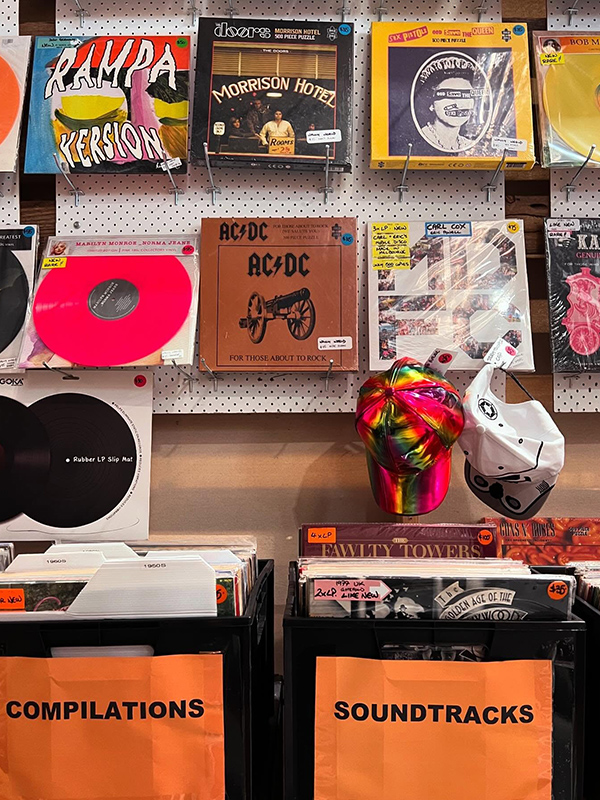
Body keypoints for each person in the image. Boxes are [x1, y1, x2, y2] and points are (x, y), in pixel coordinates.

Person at [420, 75, 476, 152]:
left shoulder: (469, 145)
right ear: (431, 105)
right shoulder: (420, 138)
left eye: (465, 97)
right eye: (450, 97)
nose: (459, 105)